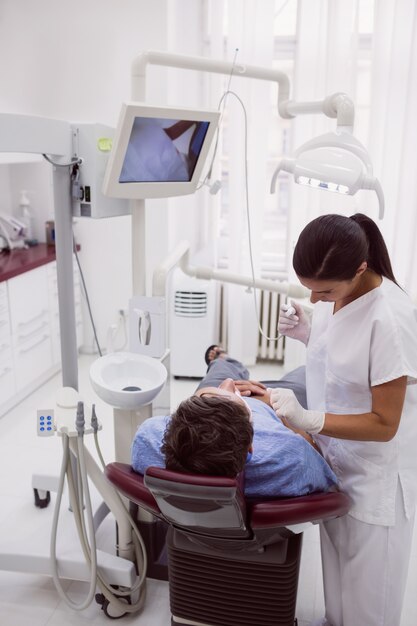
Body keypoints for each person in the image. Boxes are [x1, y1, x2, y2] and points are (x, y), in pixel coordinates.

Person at [272, 213, 417, 626]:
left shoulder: (389, 319)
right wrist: (308, 330)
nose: (316, 299)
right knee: (336, 586)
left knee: (369, 602)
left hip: (375, 479)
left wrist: (311, 419)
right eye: (309, 291)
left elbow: (385, 424)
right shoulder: (340, 294)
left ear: (360, 268)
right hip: (336, 464)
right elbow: (340, 357)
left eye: (324, 291)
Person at [131, 347, 337, 499]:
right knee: (305, 373)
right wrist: (284, 412)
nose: (229, 385)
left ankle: (224, 359)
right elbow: (325, 466)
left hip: (202, 413)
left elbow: (167, 426)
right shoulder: (292, 458)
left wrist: (207, 398)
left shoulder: (147, 439)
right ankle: (225, 368)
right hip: (272, 404)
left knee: (222, 369)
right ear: (250, 446)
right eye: (235, 398)